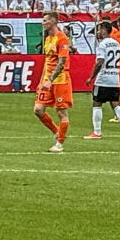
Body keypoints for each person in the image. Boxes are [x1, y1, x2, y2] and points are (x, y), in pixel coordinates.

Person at [84, 19, 120, 139]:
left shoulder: (102, 44)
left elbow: (100, 62)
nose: (98, 32)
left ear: (104, 30)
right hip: (115, 79)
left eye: (99, 29)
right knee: (116, 104)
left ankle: (97, 132)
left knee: (97, 103)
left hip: (103, 79)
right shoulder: (116, 44)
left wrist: (91, 77)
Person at [33, 13, 73, 153]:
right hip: (47, 80)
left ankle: (60, 144)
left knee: (61, 112)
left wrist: (50, 80)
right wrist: (42, 80)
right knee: (38, 110)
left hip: (60, 80)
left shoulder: (62, 38)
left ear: (53, 21)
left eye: (45, 20)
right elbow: (47, 61)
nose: (42, 23)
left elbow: (62, 62)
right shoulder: (48, 38)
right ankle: (58, 132)